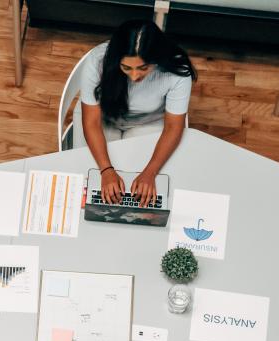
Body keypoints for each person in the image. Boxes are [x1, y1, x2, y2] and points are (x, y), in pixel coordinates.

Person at [73, 19, 197, 206]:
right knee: (88, 180)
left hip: (148, 122)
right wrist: (106, 170)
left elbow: (173, 127)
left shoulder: (176, 70)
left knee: (141, 185)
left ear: (157, 60)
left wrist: (150, 172)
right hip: (103, 119)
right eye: (126, 67)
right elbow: (91, 122)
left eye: (143, 68)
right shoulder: (97, 61)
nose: (134, 76)